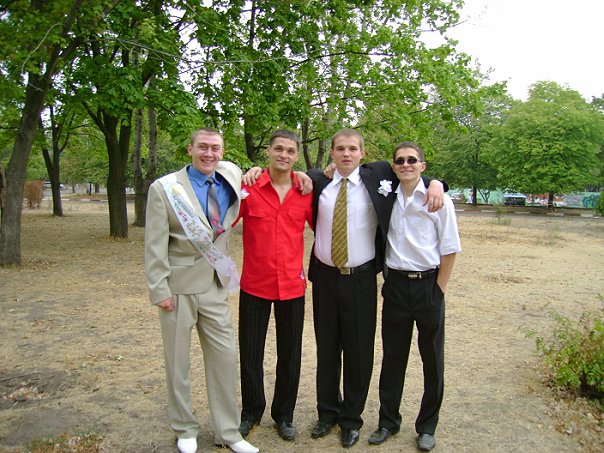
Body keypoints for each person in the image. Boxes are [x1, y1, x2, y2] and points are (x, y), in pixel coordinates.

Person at [306, 129, 445, 448]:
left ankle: (350, 419)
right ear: (331, 153)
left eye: (352, 149)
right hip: (325, 278)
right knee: (327, 348)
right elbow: (289, 177)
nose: (346, 154)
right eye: (340, 149)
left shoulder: (379, 177)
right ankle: (327, 413)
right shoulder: (317, 182)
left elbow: (412, 173)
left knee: (358, 351)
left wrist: (437, 183)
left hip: (361, 278)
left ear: (362, 154)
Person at [144, 127, 258, 453]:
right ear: (190, 149)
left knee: (224, 358)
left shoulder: (229, 176)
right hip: (178, 288)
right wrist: (159, 289)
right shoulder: (165, 188)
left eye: (215, 148)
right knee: (177, 363)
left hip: (214, 286)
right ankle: (184, 428)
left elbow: (258, 175)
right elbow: (154, 244)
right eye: (203, 147)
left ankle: (228, 432)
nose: (209, 154)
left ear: (222, 152)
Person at [367, 142, 461, 451]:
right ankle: (388, 421)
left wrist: (439, 289)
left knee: (432, 360)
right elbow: (362, 169)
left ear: (422, 165)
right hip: (395, 287)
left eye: (412, 160)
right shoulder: (387, 197)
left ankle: (427, 427)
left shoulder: (439, 200)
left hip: (428, 286)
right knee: (393, 358)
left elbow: (450, 249)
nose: (405, 164)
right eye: (400, 161)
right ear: (393, 166)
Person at [235, 130, 313, 442]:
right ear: (268, 151)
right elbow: (222, 220)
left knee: (290, 354)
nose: (284, 155)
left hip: (292, 286)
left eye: (290, 151)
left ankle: (284, 415)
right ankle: (251, 411)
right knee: (250, 352)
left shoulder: (305, 191)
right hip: (254, 284)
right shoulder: (248, 187)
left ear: (296, 156)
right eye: (278, 149)